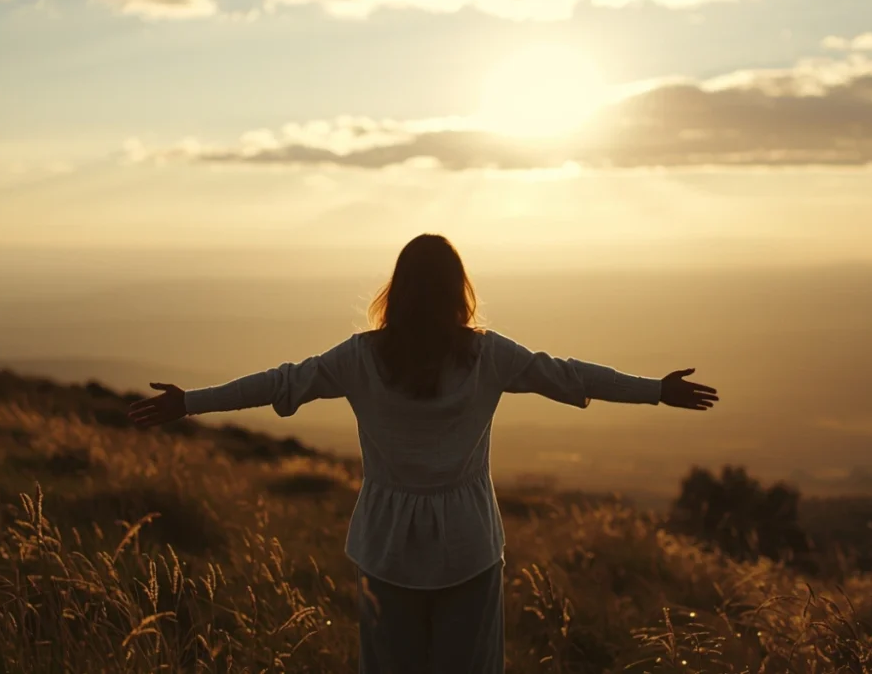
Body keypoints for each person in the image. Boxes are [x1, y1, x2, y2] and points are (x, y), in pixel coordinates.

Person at [127, 234, 720, 674]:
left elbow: (281, 383)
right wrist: (655, 391)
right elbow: (567, 375)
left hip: (386, 549)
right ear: (457, 290)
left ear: (398, 290)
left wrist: (191, 403)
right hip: (469, 546)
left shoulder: (360, 358)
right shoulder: (486, 356)